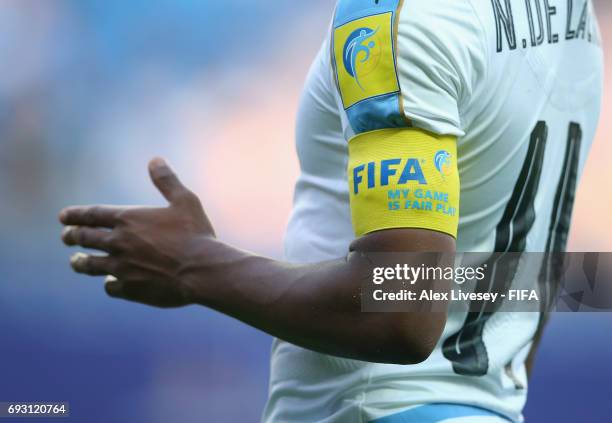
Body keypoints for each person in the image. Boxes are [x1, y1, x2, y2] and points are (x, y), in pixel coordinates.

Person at [60, 0, 603, 421]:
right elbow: (529, 279)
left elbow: (401, 312)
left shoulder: (394, 21)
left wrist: (194, 265)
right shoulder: (574, 20)